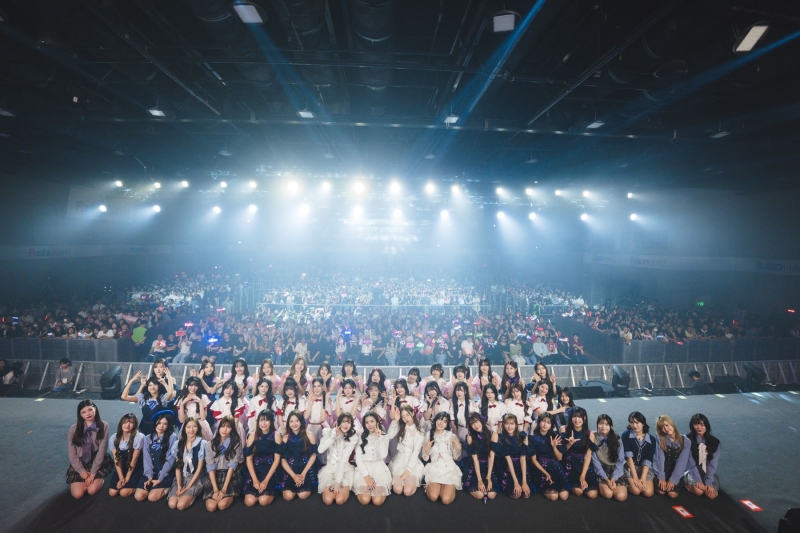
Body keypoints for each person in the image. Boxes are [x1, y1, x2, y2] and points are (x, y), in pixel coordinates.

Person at [66, 399, 113, 499]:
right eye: (83, 412)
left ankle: (100, 477)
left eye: (90, 410)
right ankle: (84, 480)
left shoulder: (104, 425)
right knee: (78, 494)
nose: (88, 414)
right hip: (80, 461)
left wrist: (93, 474)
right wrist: (81, 471)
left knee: (92, 491)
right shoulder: (73, 429)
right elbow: (72, 453)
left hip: (96, 459)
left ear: (95, 408)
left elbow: (102, 451)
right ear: (80, 415)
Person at [243, 409, 282, 507]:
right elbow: (249, 459)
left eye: (266, 420)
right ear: (258, 421)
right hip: (255, 469)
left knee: (263, 501)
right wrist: (255, 480)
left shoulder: (276, 435)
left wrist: (266, 480)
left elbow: (277, 460)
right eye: (261, 420)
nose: (263, 423)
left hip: (270, 469)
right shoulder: (252, 435)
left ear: (271, 421)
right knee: (249, 502)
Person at [134, 413, 177, 502]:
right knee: (139, 496)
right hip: (151, 471)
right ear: (155, 423)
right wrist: (149, 476)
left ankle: (168, 488)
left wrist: (160, 479)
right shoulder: (147, 438)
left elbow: (170, 460)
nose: (161, 426)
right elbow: (146, 459)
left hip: (165, 472)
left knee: (152, 497)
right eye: (159, 423)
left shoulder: (172, 437)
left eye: (165, 424)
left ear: (168, 425)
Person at [203, 416, 243, 512]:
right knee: (211, 507)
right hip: (214, 476)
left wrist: (224, 490)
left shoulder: (236, 443)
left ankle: (231, 496)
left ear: (232, 429)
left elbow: (232, 467)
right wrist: (216, 489)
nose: (225, 429)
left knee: (222, 505)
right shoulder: (210, 444)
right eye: (222, 426)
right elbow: (210, 467)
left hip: (230, 475)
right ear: (218, 427)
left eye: (228, 427)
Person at [422, 412, 462, 505]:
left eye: (444, 421)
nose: (441, 423)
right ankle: (434, 486)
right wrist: (426, 449)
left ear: (447, 424)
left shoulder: (451, 435)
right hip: (434, 467)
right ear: (436, 420)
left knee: (445, 500)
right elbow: (425, 458)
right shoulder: (428, 435)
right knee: (433, 497)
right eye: (440, 419)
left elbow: (456, 456)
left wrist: (458, 448)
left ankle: (449, 487)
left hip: (449, 468)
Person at [317, 413, 358, 506]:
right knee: (328, 500)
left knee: (339, 500)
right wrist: (333, 437)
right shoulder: (327, 432)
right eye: (343, 422)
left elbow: (344, 460)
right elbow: (320, 450)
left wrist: (337, 482)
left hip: (344, 471)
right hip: (329, 470)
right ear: (339, 422)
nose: (346, 425)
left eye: (348, 422)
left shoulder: (353, 437)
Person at [167, 418, 207, 511]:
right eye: (188, 427)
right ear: (184, 429)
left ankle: (193, 494)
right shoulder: (178, 443)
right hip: (181, 477)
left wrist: (188, 487)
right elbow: (177, 467)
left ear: (198, 428)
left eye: (194, 426)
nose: (191, 430)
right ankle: (180, 490)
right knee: (172, 504)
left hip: (195, 478)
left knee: (181, 506)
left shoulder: (202, 443)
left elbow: (199, 469)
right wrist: (179, 485)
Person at [528, 412, 569, 501]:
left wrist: (554, 447)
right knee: (554, 497)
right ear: (539, 422)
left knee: (564, 496)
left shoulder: (555, 436)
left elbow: (560, 458)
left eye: (548, 422)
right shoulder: (533, 438)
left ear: (551, 425)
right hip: (540, 468)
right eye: (543, 421)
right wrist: (546, 473)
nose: (545, 424)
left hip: (554, 466)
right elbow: (534, 460)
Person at [277, 411, 318, 500]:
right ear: (288, 423)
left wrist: (303, 474)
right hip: (290, 468)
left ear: (301, 421)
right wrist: (294, 475)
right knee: (288, 497)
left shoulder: (310, 435)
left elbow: (313, 455)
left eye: (297, 421)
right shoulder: (284, 438)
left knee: (302, 495)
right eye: (291, 421)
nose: (294, 424)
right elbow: (283, 460)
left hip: (306, 467)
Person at [559, 407, 598, 499]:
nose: (577, 420)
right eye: (574, 417)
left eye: (580, 417)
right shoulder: (564, 429)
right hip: (569, 463)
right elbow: (561, 451)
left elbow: (588, 456)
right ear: (570, 417)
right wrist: (569, 444)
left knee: (592, 495)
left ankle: (582, 481)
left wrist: (583, 476)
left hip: (583, 463)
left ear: (584, 418)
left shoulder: (589, 434)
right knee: (578, 491)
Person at [354, 411, 392, 506]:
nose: (369, 424)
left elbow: (383, 455)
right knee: (365, 500)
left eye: (372, 421)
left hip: (379, 468)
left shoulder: (384, 436)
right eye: (367, 422)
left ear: (377, 422)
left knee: (377, 501)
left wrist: (379, 438)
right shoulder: (361, 436)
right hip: (364, 468)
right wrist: (366, 477)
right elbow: (358, 459)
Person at [387, 405, 425, 496]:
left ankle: (410, 479)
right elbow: (389, 436)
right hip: (399, 460)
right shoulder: (401, 427)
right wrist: (396, 420)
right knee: (398, 490)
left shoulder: (420, 432)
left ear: (413, 413)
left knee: (407, 492)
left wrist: (408, 472)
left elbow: (415, 453)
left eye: (407, 415)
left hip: (412, 462)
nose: (406, 418)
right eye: (403, 416)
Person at [683, 413, 721, 500]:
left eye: (702, 424)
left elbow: (713, 464)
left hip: (707, 471)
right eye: (696, 424)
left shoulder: (715, 442)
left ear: (707, 425)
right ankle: (685, 483)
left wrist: (708, 482)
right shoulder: (687, 439)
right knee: (698, 491)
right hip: (692, 470)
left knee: (711, 495)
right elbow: (690, 463)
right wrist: (698, 480)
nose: (699, 427)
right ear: (692, 425)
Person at [462, 412, 499, 501]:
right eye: (472, 424)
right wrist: (479, 480)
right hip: (475, 467)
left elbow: (491, 457)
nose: (476, 425)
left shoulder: (493, 434)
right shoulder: (470, 437)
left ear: (481, 421)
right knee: (479, 495)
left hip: (489, 466)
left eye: (477, 421)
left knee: (491, 495)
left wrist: (488, 478)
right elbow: (475, 460)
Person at [591, 414, 627, 501]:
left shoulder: (617, 438)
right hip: (601, 470)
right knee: (608, 494)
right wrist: (607, 479)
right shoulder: (593, 438)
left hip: (616, 470)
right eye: (601, 423)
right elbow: (595, 462)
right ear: (597, 425)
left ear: (611, 426)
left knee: (620, 496)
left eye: (607, 424)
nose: (603, 426)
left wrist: (613, 479)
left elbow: (620, 461)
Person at [494, 413, 531, 499]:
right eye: (507, 424)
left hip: (520, 466)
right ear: (503, 425)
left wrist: (524, 482)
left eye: (512, 424)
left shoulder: (522, 436)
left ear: (516, 425)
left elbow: (523, 459)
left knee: (526, 495)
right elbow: (508, 460)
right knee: (516, 495)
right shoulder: (502, 438)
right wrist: (516, 483)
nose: (509, 427)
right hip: (508, 467)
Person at [653, 415, 690, 498]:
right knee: (661, 491)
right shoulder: (660, 438)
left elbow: (682, 462)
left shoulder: (686, 441)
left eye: (667, 425)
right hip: (662, 468)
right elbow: (659, 458)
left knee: (672, 494)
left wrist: (673, 480)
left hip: (676, 469)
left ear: (672, 424)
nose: (666, 429)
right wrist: (661, 477)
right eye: (662, 427)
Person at [108, 413, 144, 498]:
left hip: (136, 468)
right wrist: (121, 478)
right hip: (122, 467)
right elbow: (116, 460)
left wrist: (127, 478)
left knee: (123, 493)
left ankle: (136, 486)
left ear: (135, 425)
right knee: (112, 492)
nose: (127, 425)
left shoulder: (138, 437)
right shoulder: (114, 438)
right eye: (125, 422)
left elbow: (134, 460)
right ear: (121, 423)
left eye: (131, 422)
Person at [622, 411, 656, 497]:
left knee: (648, 493)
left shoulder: (652, 439)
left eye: (637, 422)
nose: (634, 425)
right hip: (630, 466)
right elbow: (629, 458)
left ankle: (640, 481)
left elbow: (648, 459)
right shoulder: (625, 435)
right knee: (636, 491)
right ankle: (625, 483)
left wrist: (643, 479)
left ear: (643, 423)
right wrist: (635, 478)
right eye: (632, 422)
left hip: (643, 468)